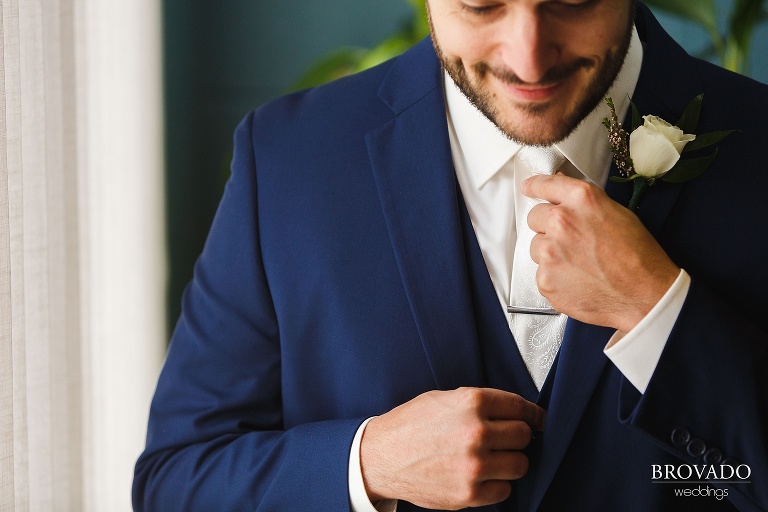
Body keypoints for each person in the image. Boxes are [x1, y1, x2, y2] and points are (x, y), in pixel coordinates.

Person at [133, 1, 768, 510]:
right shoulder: (287, 158)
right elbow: (176, 480)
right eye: (482, 4)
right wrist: (366, 464)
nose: (528, 59)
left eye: (572, 1)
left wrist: (656, 309)